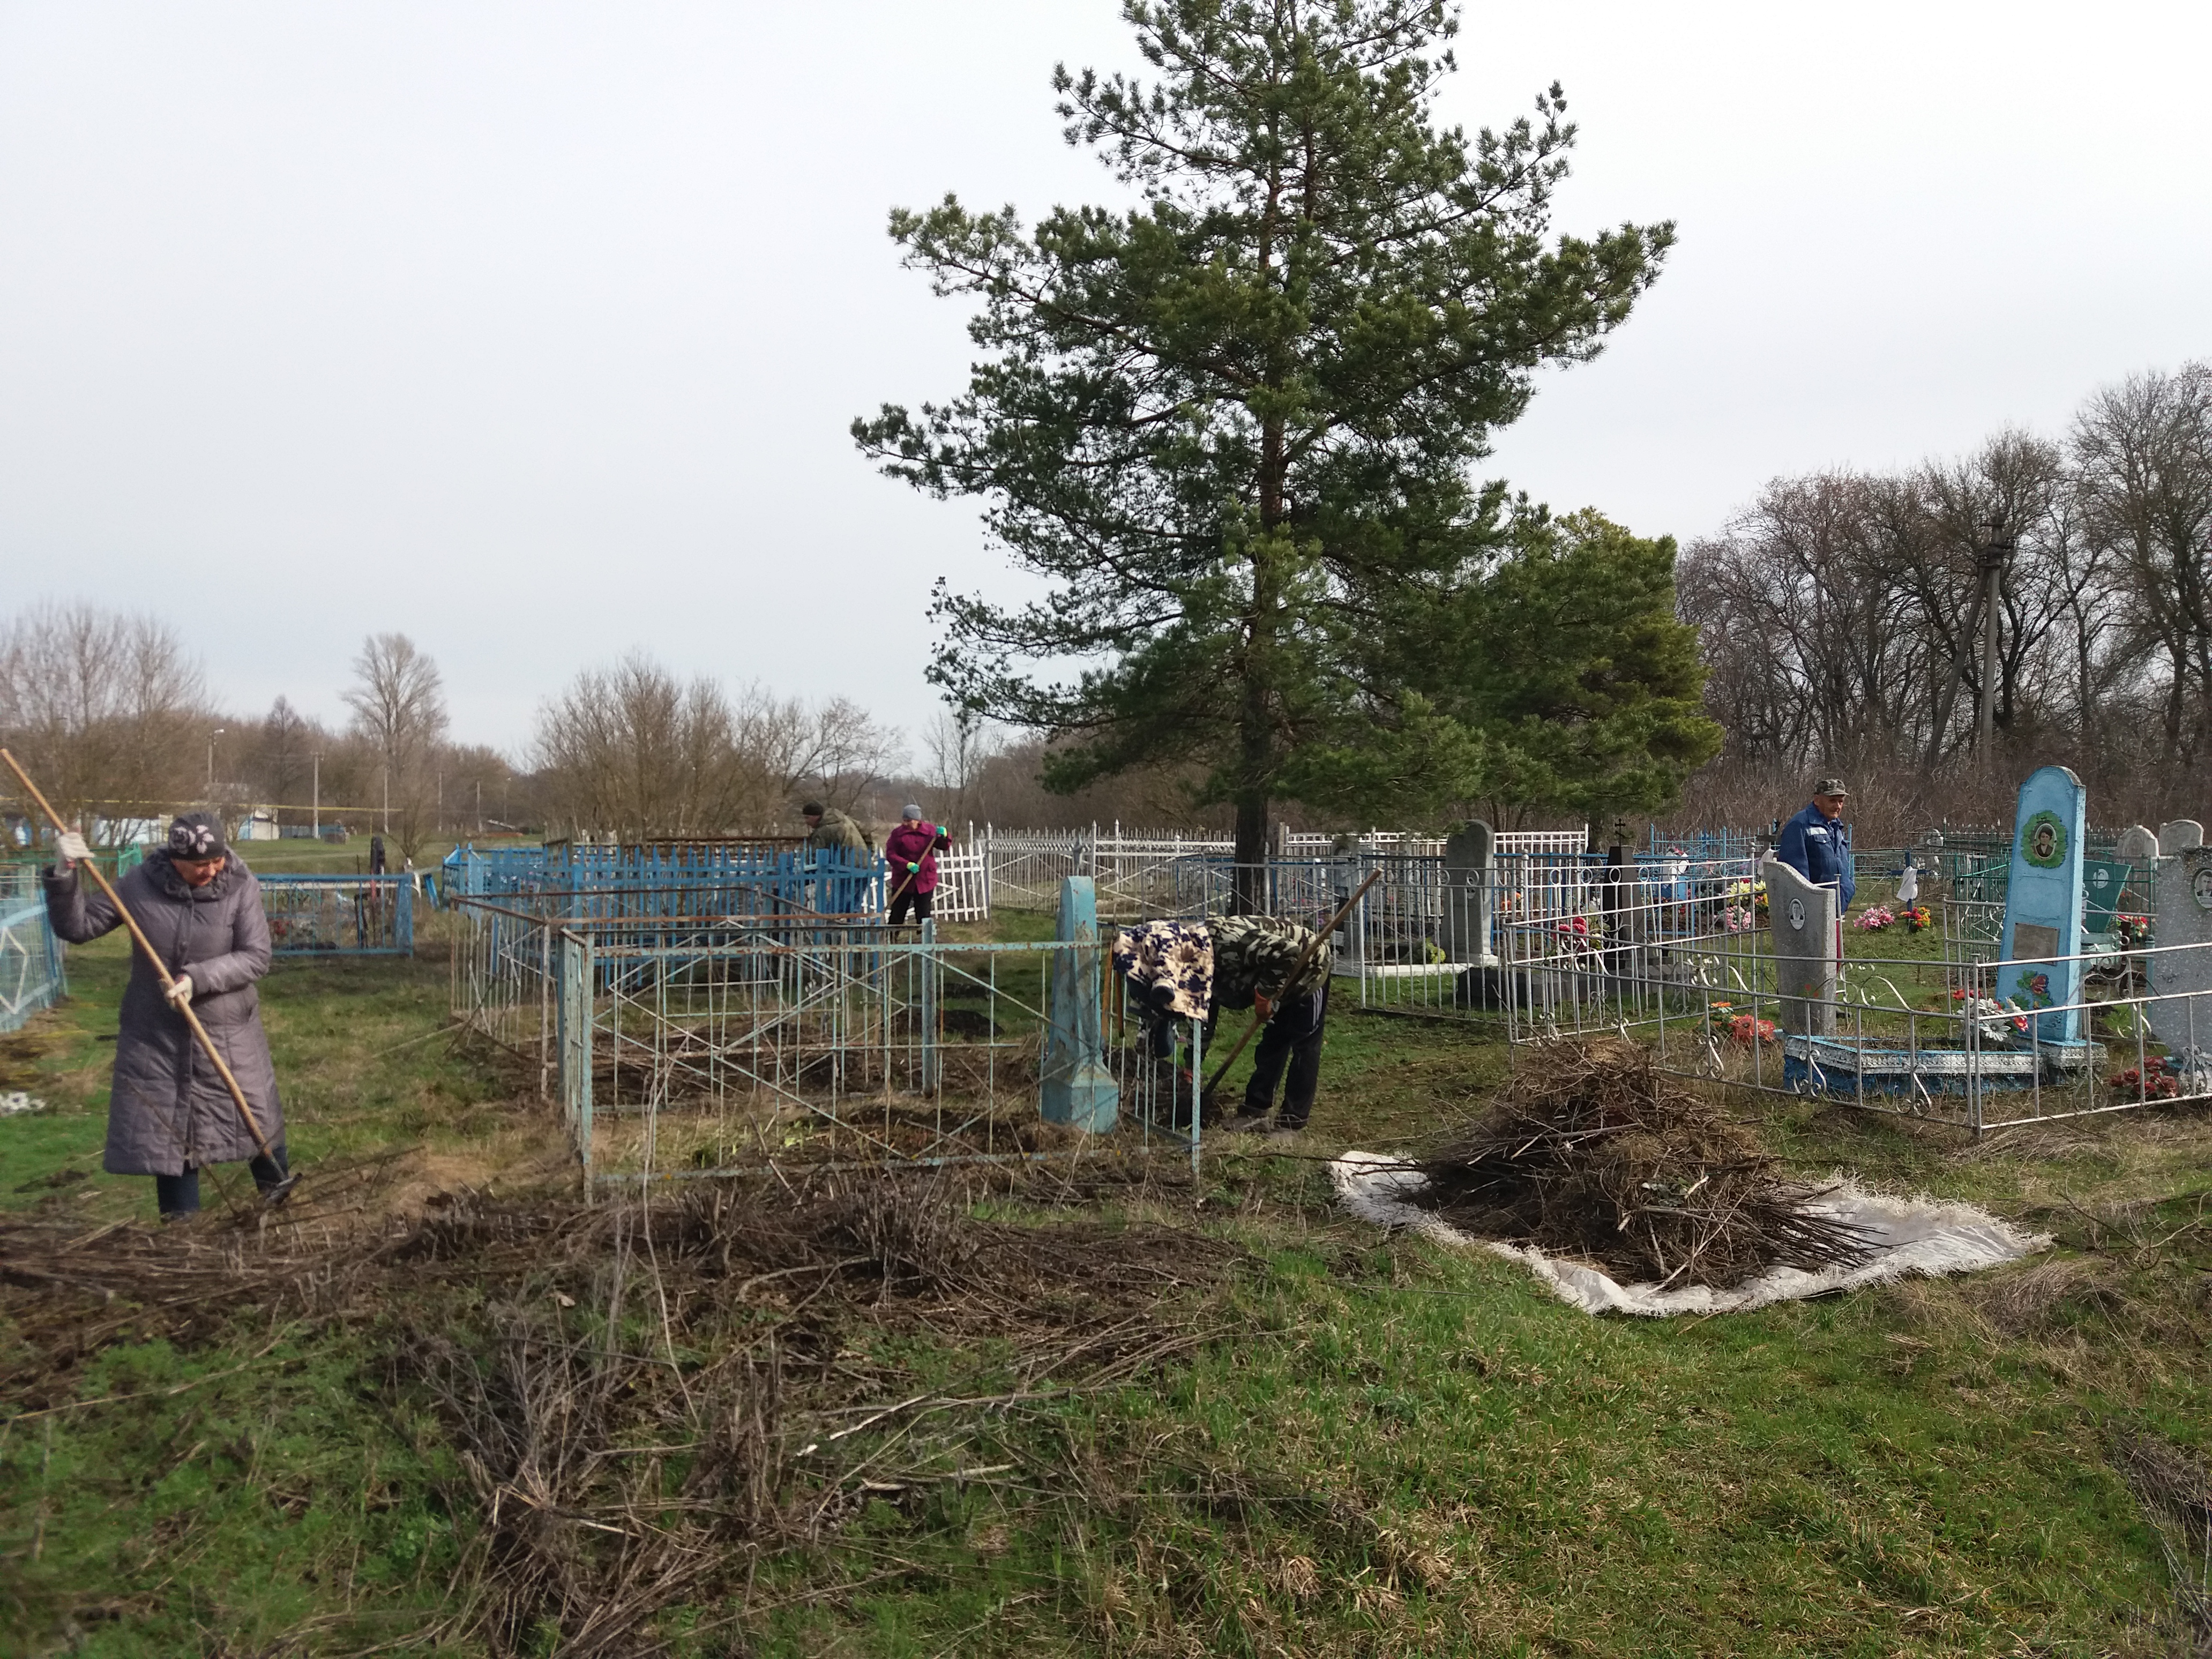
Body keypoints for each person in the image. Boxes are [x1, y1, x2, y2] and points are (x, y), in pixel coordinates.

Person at [43, 812, 289, 1219]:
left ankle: (280, 1212)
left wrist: (198, 978)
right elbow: (79, 926)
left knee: (256, 1121)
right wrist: (63, 871)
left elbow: (256, 957)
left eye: (217, 860)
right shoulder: (138, 886)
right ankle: (182, 1239)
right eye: (199, 865)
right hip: (157, 1038)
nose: (211, 870)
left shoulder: (241, 886)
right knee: (173, 1137)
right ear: (175, 858)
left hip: (228, 1032)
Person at [1115, 911, 1333, 1137]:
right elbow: (1204, 1017)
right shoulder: (1193, 966)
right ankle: (1255, 1111)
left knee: (1304, 1047)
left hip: (1307, 967)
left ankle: (1292, 1123)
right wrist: (1192, 1066)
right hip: (1273, 977)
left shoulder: (1229, 943)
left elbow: (1288, 952)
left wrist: (1265, 996)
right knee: (1272, 1046)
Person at [1775, 776, 1854, 911]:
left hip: (1837, 908)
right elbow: (1797, 875)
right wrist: (1809, 905)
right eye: (1832, 801)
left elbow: (1844, 866)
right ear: (1817, 800)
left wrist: (1849, 889)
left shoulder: (1836, 827)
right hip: (1814, 910)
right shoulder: (1800, 825)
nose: (1838, 806)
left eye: (1841, 801)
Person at [800, 800, 875, 914]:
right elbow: (866, 832)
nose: (806, 822)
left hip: (846, 869)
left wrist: (804, 875)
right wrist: (868, 853)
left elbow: (815, 857)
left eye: (807, 818)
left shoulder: (823, 831)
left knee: (836, 906)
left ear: (815, 816)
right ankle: (853, 929)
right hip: (864, 865)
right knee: (854, 907)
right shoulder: (845, 819)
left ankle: (829, 930)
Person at [883, 805, 951, 928]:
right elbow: (891, 854)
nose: (906, 823)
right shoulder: (897, 834)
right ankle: (891, 941)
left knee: (924, 915)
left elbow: (944, 846)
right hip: (903, 880)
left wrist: (945, 836)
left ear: (918, 820)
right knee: (897, 914)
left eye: (909, 821)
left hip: (925, 880)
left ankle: (924, 943)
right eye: (905, 820)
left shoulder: (930, 831)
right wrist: (906, 864)